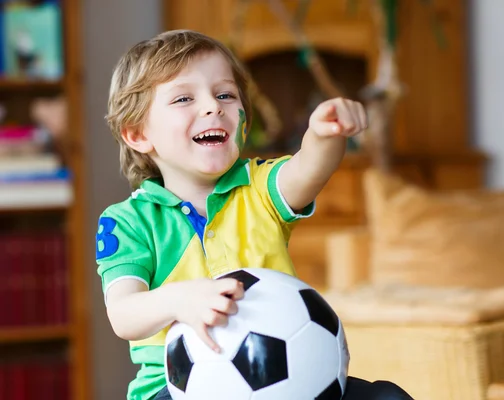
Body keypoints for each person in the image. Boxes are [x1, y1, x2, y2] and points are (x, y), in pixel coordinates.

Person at [96, 29, 414, 400]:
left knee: (387, 397)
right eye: (184, 98)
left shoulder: (259, 187)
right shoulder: (128, 221)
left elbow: (307, 170)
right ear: (136, 134)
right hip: (175, 388)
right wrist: (180, 300)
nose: (213, 107)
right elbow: (123, 314)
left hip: (292, 377)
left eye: (225, 94)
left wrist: (324, 135)